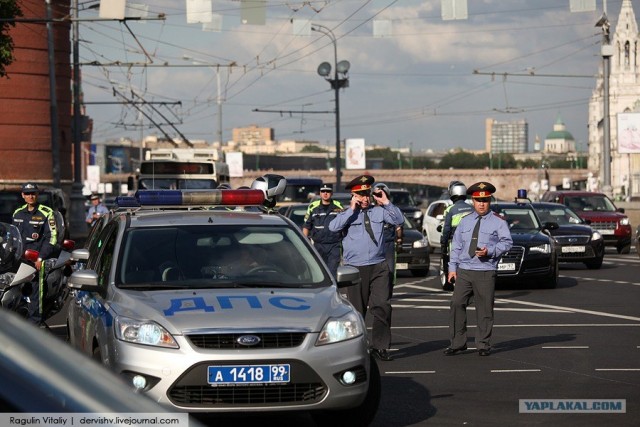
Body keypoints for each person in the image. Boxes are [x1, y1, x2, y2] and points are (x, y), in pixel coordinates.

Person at [329, 175, 404, 362]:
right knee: (356, 311)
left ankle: (380, 346)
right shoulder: (347, 213)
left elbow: (399, 220)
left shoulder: (379, 212)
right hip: (355, 268)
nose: (365, 198)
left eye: (367, 194)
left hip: (379, 265)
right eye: (361, 194)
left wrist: (386, 202)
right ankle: (357, 348)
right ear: (353, 196)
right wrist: (351, 210)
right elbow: (332, 227)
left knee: (382, 307)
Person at [445, 182, 512, 357]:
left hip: (485, 270)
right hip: (465, 270)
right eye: (478, 200)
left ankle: (483, 344)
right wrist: (452, 268)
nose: (481, 204)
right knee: (457, 303)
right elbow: (457, 246)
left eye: (485, 200)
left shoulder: (498, 222)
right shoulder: (465, 221)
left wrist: (490, 251)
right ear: (472, 201)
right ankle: (458, 343)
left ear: (489, 201)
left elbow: (507, 243)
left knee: (484, 309)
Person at [12, 182, 58, 324]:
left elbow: (52, 237)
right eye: (27, 193)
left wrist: (40, 257)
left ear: (37, 195)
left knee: (35, 295)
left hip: (36, 260)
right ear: (23, 195)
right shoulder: (17, 213)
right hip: (18, 260)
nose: (30, 196)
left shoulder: (46, 212)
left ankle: (35, 324)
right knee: (15, 293)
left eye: (33, 193)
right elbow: (13, 236)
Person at [303, 183, 344, 278]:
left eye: (328, 191)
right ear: (320, 193)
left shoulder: (338, 206)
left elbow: (344, 225)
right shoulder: (313, 206)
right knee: (319, 273)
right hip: (318, 246)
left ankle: (333, 290)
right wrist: (305, 245)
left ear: (332, 193)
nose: (325, 193)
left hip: (334, 246)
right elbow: (306, 227)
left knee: (332, 273)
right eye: (323, 191)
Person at [440, 181, 473, 291]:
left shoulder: (450, 209)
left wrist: (443, 243)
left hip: (455, 243)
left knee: (451, 263)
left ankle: (453, 282)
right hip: (471, 242)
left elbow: (446, 229)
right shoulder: (472, 208)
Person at [373, 183, 403, 287]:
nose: (380, 197)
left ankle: (387, 297)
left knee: (389, 273)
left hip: (389, 245)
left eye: (383, 194)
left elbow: (399, 223)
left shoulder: (392, 209)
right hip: (375, 246)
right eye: (378, 195)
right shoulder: (371, 210)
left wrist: (399, 242)